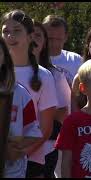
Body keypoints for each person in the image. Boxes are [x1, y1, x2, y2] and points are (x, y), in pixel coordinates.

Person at [1, 10, 58, 178]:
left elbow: (45, 129)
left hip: (31, 163)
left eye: (17, 30)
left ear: (30, 36)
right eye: (5, 31)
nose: (10, 36)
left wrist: (20, 154)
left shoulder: (44, 76)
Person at [32, 20, 71, 178]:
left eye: (38, 36)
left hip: (46, 148)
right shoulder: (7, 74)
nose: (32, 40)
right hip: (12, 148)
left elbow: (64, 113)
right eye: (29, 34)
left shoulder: (54, 75)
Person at [0, 37, 42, 178]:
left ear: (5, 58)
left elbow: (33, 133)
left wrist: (17, 150)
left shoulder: (19, 93)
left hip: (12, 171)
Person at [42, 14, 82, 85]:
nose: (54, 43)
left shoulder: (76, 60)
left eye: (58, 39)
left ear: (66, 37)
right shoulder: (32, 60)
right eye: (50, 39)